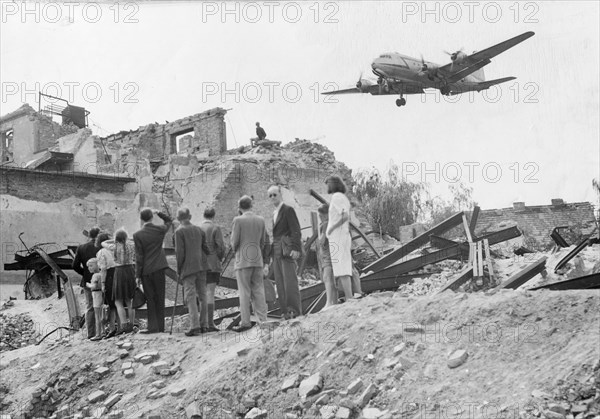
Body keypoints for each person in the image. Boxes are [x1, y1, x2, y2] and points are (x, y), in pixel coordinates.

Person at [230, 195, 270, 332]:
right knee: (259, 291)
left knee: (244, 292)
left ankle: (246, 322)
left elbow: (234, 242)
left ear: (239, 207)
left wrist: (236, 250)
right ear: (251, 205)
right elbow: (263, 241)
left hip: (243, 261)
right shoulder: (260, 220)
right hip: (257, 260)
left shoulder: (238, 220)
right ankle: (262, 320)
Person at [133, 208, 173, 334]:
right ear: (151, 217)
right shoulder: (159, 230)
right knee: (160, 298)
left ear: (141, 219)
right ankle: (161, 327)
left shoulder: (137, 235)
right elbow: (169, 221)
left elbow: (139, 257)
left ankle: (153, 327)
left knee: (150, 298)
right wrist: (159, 212)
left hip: (146, 270)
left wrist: (137, 275)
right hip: (159, 268)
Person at [267, 185, 302, 319]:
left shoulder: (288, 210)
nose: (272, 198)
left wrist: (296, 248)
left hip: (287, 249)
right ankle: (285, 312)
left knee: (290, 281)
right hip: (277, 250)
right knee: (280, 283)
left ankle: (294, 310)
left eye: (274, 194)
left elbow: (295, 230)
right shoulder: (274, 213)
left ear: (280, 194)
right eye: (270, 196)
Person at [174, 207, 210, 336]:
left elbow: (180, 253)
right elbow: (206, 249)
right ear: (190, 217)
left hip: (188, 268)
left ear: (178, 219)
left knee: (190, 297)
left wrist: (179, 269)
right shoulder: (199, 230)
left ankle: (194, 326)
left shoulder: (179, 232)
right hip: (201, 266)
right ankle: (204, 324)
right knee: (203, 295)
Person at [325, 176, 353, 302]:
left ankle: (349, 296)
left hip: (339, 235)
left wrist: (331, 228)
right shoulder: (342, 197)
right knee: (342, 266)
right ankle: (348, 296)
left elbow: (345, 216)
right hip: (340, 235)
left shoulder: (337, 197)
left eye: (328, 184)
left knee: (342, 266)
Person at [103, 229, 136, 334]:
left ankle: (124, 325)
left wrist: (113, 240)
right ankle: (131, 324)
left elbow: (102, 243)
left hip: (120, 271)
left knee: (118, 300)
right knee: (129, 301)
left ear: (116, 238)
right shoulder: (131, 245)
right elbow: (134, 241)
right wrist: (127, 238)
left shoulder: (114, 246)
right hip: (130, 270)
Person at [199, 207, 226, 332]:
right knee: (210, 293)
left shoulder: (198, 228)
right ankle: (210, 324)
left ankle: (202, 323)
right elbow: (220, 246)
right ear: (213, 216)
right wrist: (219, 258)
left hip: (200, 265)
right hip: (212, 264)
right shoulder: (215, 228)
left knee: (202, 294)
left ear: (203, 215)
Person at [72, 227, 101, 339]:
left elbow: (74, 265)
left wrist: (84, 273)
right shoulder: (101, 246)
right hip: (101, 280)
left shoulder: (81, 247)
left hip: (87, 280)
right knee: (102, 306)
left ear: (89, 236)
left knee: (90, 307)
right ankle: (102, 331)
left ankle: (91, 333)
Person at [95, 233, 118, 338]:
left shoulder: (101, 252)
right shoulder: (115, 249)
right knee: (119, 301)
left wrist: (103, 284)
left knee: (111, 303)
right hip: (118, 274)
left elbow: (103, 269)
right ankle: (122, 325)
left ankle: (112, 328)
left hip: (109, 276)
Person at [317, 203, 337, 309]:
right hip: (330, 253)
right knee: (331, 278)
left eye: (320, 215)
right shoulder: (331, 223)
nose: (320, 217)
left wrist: (320, 236)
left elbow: (322, 240)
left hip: (327, 255)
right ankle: (334, 301)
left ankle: (329, 302)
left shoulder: (325, 224)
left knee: (327, 277)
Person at [86, 258, 104, 341]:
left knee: (97, 315)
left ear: (97, 265)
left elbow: (94, 286)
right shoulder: (101, 274)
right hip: (101, 294)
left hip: (96, 295)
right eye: (88, 266)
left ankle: (98, 334)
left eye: (91, 266)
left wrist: (88, 285)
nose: (89, 268)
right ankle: (103, 332)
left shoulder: (95, 275)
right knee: (101, 314)